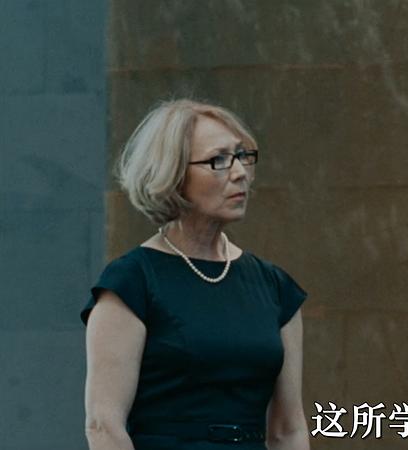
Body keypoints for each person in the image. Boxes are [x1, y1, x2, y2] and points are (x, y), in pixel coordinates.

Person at [81, 99, 310, 449]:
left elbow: (288, 429)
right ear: (173, 175)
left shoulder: (275, 287)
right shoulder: (131, 281)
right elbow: (103, 425)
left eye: (242, 156)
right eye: (218, 160)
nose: (240, 173)